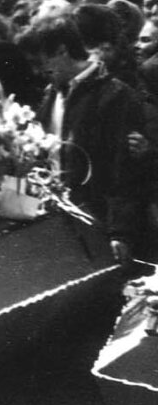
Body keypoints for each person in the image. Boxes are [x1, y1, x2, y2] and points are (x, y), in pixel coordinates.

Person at [32, 15, 151, 263]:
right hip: (61, 220)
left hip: (101, 223)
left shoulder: (115, 96)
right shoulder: (51, 95)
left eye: (44, 63)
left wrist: (120, 231)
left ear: (62, 51)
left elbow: (126, 171)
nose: (41, 72)